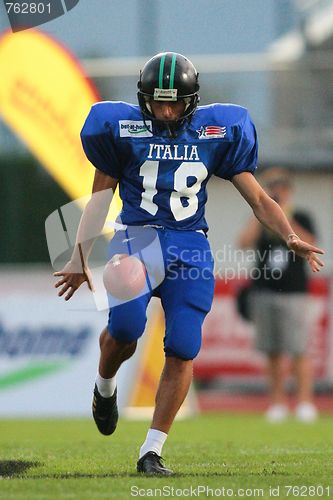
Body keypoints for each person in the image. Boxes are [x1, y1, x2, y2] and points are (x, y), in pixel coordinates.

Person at [54, 53, 324, 475]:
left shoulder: (217, 131)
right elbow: (100, 198)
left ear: (192, 100)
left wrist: (289, 234)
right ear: (144, 99)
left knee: (183, 347)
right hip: (136, 238)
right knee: (125, 328)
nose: (165, 111)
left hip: (190, 246)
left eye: (174, 103)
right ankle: (104, 386)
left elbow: (258, 198)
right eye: (158, 102)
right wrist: (78, 254)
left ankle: (151, 451)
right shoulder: (120, 129)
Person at [238, 167, 319, 423]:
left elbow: (310, 242)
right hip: (264, 290)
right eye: (272, 185)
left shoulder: (301, 216)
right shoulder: (261, 218)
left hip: (294, 291)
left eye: (282, 185)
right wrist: (261, 212)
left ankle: (305, 402)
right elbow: (243, 242)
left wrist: (284, 216)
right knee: (271, 350)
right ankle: (277, 402)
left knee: (298, 348)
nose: (277, 189)